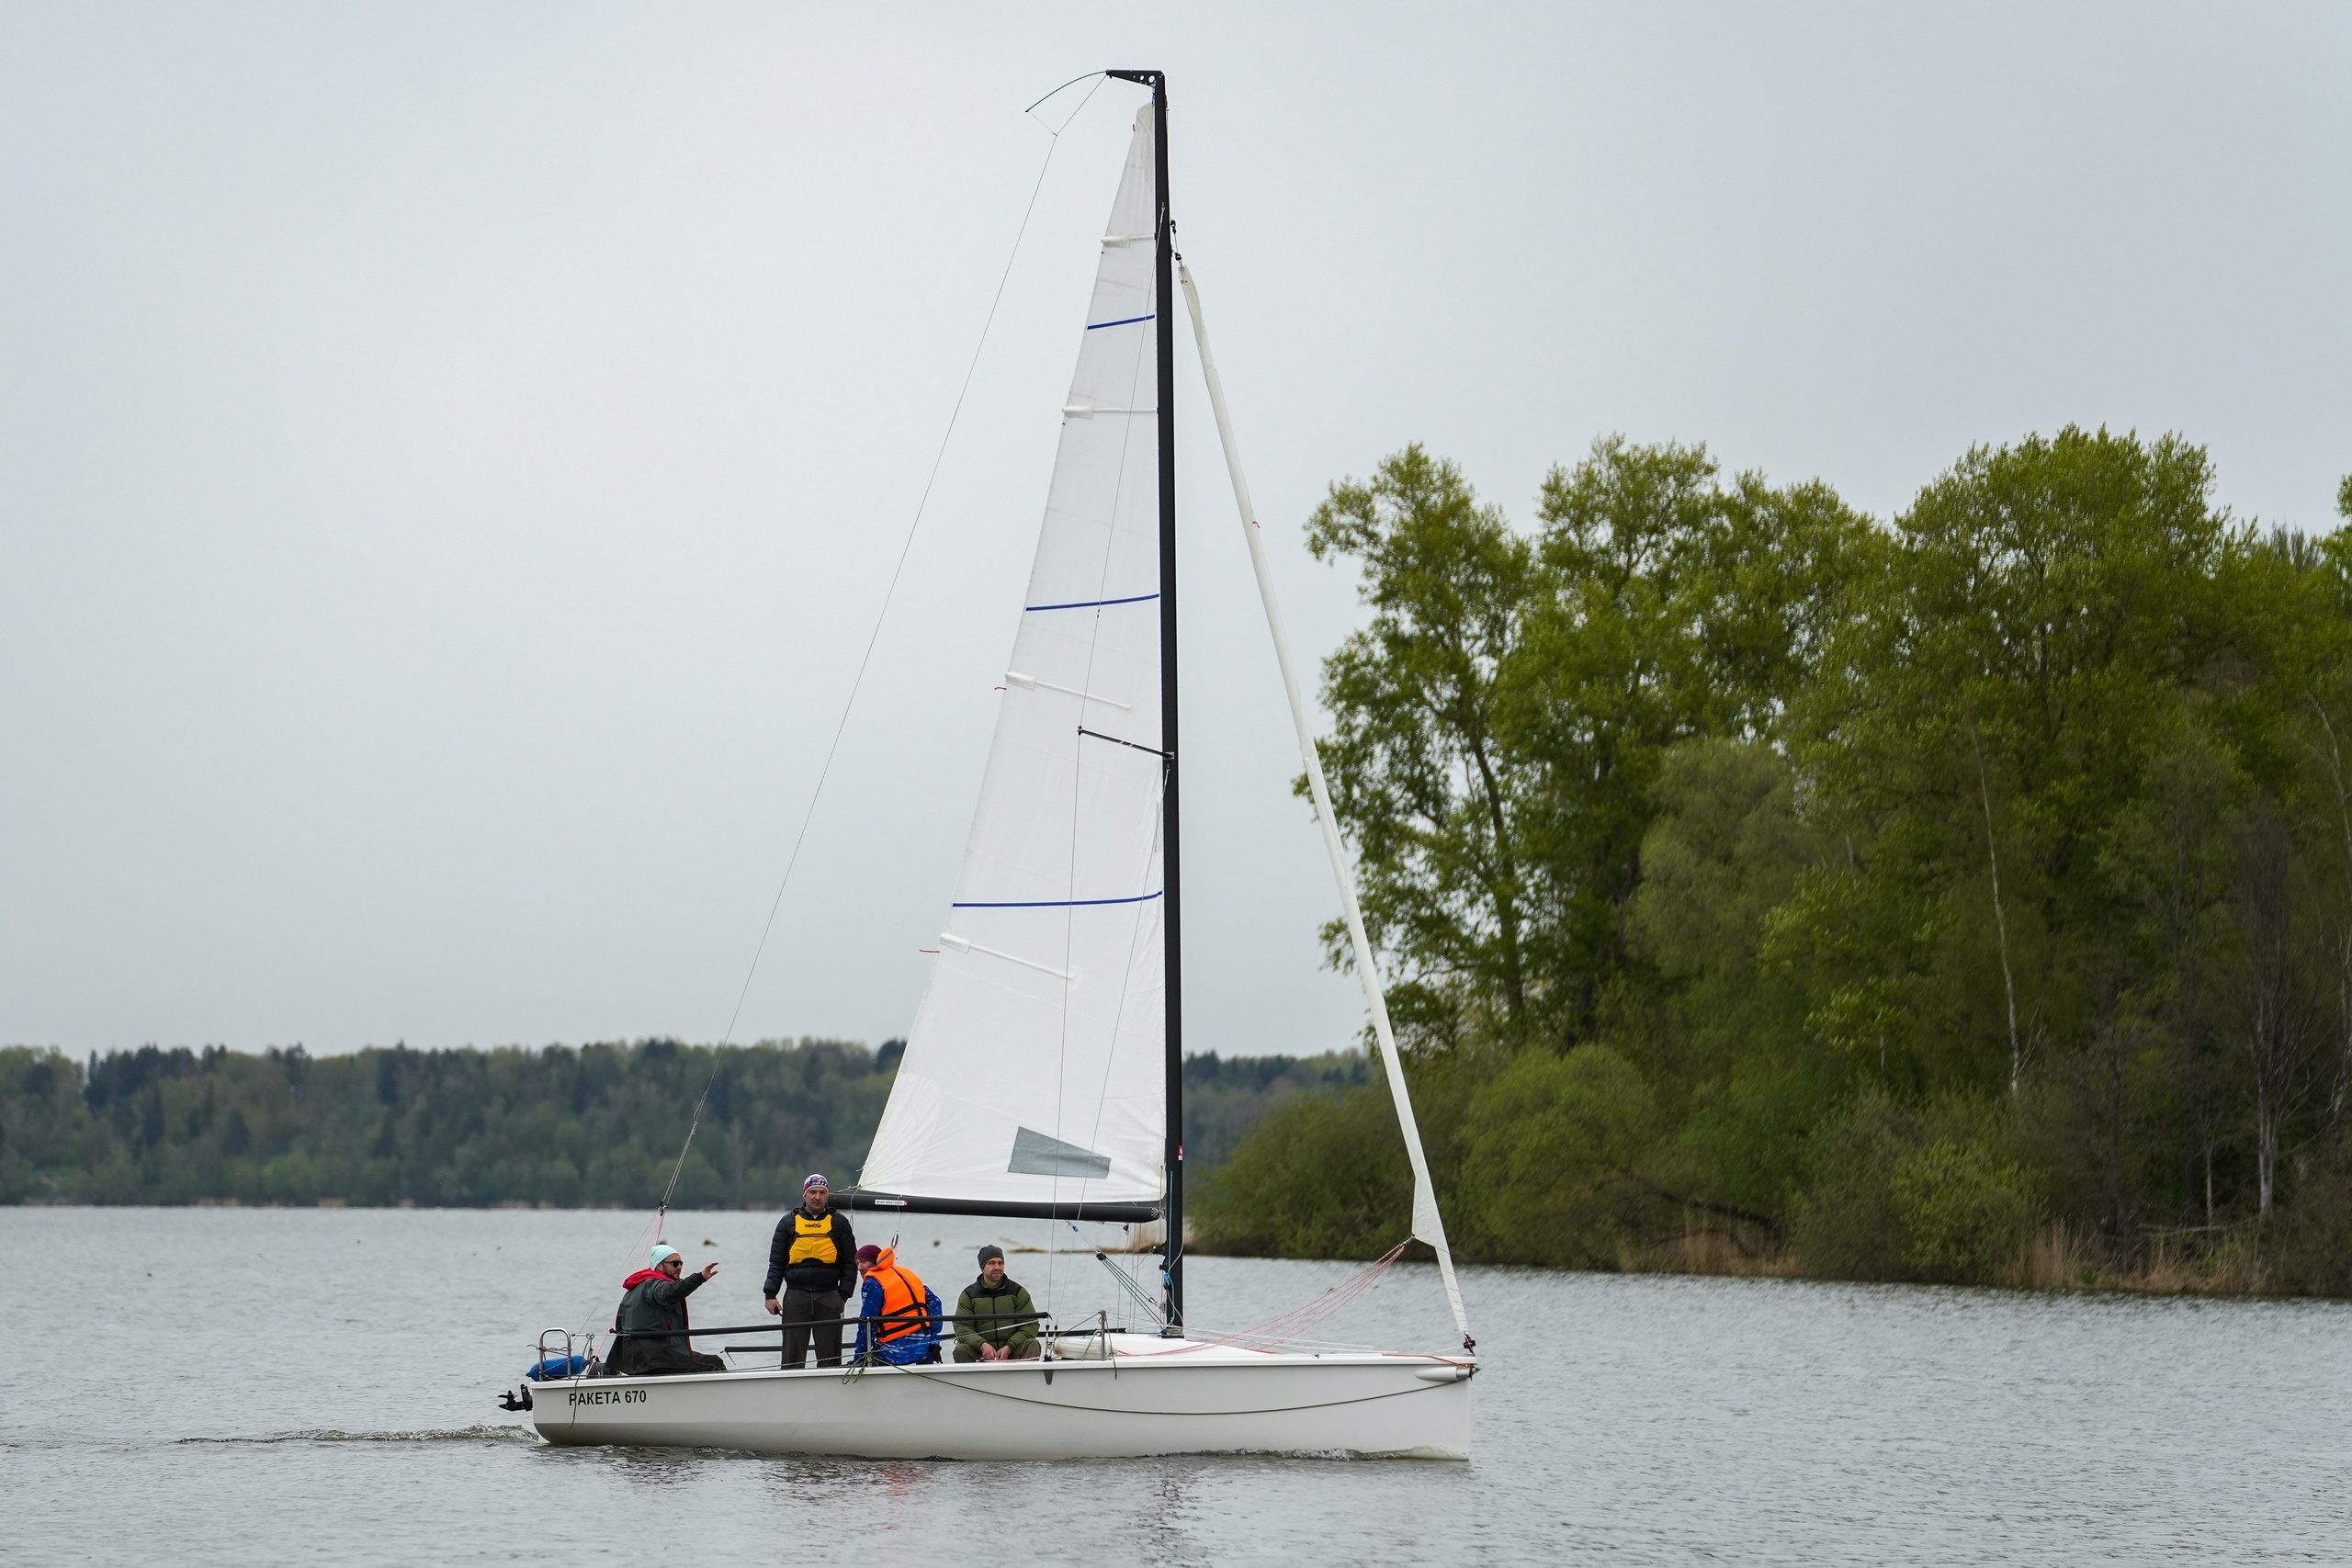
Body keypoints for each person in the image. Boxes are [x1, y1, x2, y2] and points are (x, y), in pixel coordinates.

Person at [763, 1173, 857, 1369]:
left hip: (830, 1295)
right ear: (804, 1194)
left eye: (822, 1192)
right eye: (813, 1192)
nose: (817, 1197)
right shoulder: (787, 1222)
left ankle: (830, 1391)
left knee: (830, 1356)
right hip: (796, 1295)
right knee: (792, 1355)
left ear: (827, 1195)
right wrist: (770, 1294)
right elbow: (776, 1262)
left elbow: (850, 1262)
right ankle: (792, 1391)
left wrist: (843, 1295)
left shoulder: (839, 1223)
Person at [608, 1243, 725, 1376]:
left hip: (635, 1361)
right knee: (714, 1363)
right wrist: (700, 1278)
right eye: (674, 1264)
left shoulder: (634, 1290)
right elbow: (670, 1292)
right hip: (656, 1359)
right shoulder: (655, 1285)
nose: (679, 1267)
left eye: (681, 1263)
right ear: (659, 1266)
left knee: (698, 1361)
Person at [851, 1244, 943, 1366]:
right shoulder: (907, 1274)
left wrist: (859, 1358)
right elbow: (935, 1302)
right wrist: (934, 1341)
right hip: (923, 1348)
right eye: (857, 1263)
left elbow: (866, 1323)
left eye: (864, 1262)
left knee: (869, 1359)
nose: (860, 1268)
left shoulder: (874, 1282)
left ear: (875, 1262)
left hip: (894, 1352)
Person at [953, 1244, 1041, 1362]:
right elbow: (962, 1327)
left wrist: (1009, 1347)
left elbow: (1030, 1325)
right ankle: (966, 1381)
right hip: (981, 1353)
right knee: (960, 1350)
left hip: (1012, 1351)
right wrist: (982, 1345)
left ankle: (1027, 1379)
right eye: (992, 1263)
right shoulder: (968, 1295)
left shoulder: (1018, 1292)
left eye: (1001, 1263)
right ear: (982, 1267)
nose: (997, 1267)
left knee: (1033, 1344)